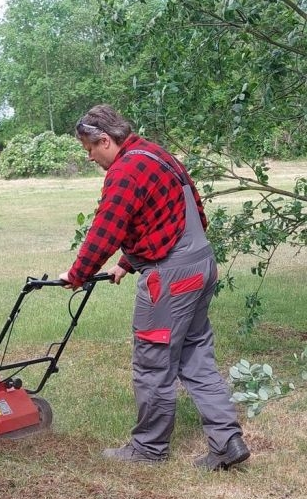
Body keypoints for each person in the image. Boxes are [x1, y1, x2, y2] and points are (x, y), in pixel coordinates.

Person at [60, 104, 250, 471]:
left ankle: (149, 448)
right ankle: (227, 441)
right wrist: (128, 263)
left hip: (171, 279)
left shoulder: (124, 171)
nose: (90, 158)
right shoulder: (155, 154)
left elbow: (107, 228)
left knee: (153, 362)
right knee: (196, 356)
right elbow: (180, 212)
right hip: (202, 265)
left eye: (90, 150)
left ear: (105, 140)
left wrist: (78, 273)